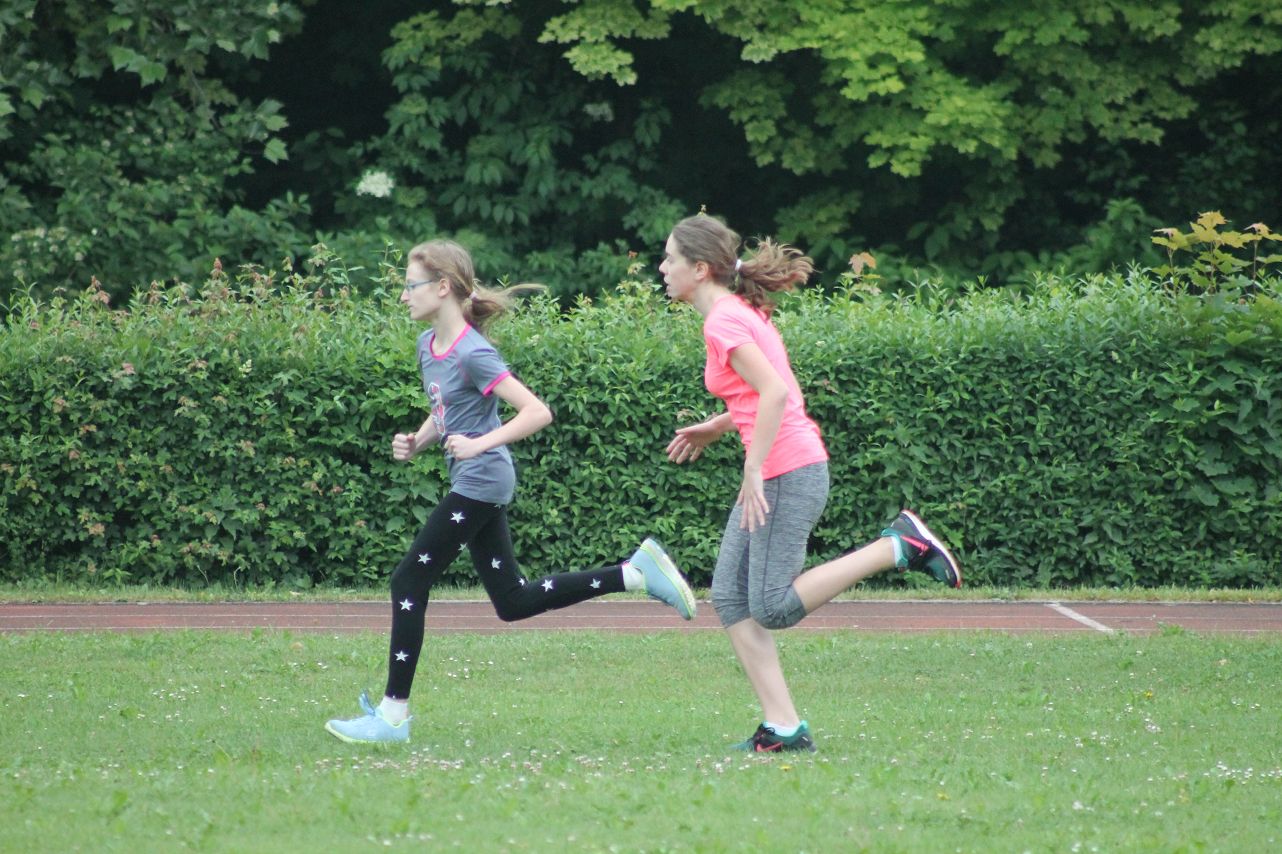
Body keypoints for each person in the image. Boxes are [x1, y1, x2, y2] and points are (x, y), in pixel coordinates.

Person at [326, 238, 697, 744]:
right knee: (513, 601)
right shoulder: (428, 346)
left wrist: (479, 444)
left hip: (483, 480)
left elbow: (537, 411)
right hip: (476, 479)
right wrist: (417, 441)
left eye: (411, 285)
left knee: (408, 579)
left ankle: (392, 717)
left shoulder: (474, 352)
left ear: (442, 287)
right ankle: (633, 573)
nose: (404, 295)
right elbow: (446, 411)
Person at [658, 214, 961, 754]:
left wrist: (753, 467)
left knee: (771, 606)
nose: (662, 268)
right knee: (729, 596)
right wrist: (718, 427)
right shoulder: (737, 313)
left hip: (785, 473)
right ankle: (784, 728)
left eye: (669, 258)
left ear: (699, 269)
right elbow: (772, 391)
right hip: (785, 468)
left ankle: (898, 546)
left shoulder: (723, 321)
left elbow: (776, 394)